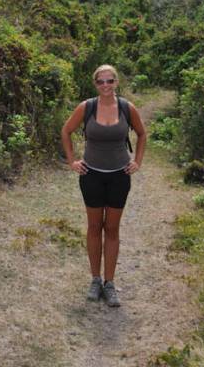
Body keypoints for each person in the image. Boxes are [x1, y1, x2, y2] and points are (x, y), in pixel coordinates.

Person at [60, 64, 146, 307]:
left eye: (110, 81)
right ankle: (95, 280)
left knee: (112, 229)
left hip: (119, 176)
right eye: (101, 82)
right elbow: (66, 131)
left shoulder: (127, 108)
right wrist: (72, 161)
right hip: (91, 175)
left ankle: (110, 284)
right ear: (95, 84)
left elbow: (142, 134)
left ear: (116, 82)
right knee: (94, 226)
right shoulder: (87, 107)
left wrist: (137, 161)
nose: (105, 86)